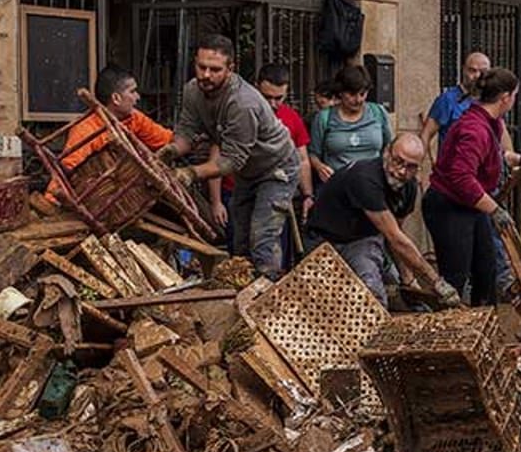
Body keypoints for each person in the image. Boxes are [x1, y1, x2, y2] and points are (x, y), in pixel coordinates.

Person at [158, 34, 298, 280]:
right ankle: (241, 295)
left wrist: (190, 173)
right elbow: (187, 131)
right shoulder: (193, 90)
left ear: (230, 69)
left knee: (262, 238)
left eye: (215, 69)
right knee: (240, 240)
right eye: (201, 67)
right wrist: (172, 150)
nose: (206, 75)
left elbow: (231, 160)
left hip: (277, 169)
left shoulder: (243, 103)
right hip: (248, 171)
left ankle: (270, 297)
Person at [306, 133, 460, 308]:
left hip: (363, 239)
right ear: (387, 152)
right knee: (325, 301)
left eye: (411, 167)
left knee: (375, 295)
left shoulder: (408, 188)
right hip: (324, 238)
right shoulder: (366, 178)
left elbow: (397, 237)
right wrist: (436, 281)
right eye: (398, 161)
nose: (402, 171)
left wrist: (407, 280)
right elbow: (395, 238)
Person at [423, 68, 521, 306]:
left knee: (486, 270)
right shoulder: (475, 128)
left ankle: (482, 329)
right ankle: (449, 332)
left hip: (470, 205)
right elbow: (461, 177)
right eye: (515, 95)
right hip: (449, 205)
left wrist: (516, 159)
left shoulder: (491, 122)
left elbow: (489, 154)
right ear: (505, 97)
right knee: (456, 277)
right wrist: (494, 209)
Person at [207, 64, 313, 251]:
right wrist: (216, 202)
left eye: (278, 98)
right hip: (236, 190)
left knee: (267, 247)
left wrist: (307, 195)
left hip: (274, 192)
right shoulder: (238, 111)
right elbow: (217, 156)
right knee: (241, 249)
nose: (272, 104)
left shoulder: (292, 118)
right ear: (256, 88)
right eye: (267, 97)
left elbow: (302, 159)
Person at [61, 65, 173, 171]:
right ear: (116, 98)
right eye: (132, 92)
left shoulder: (134, 118)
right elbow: (66, 170)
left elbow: (166, 139)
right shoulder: (86, 130)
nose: (137, 97)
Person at [309, 65, 393, 184]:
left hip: (372, 184)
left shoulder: (378, 113)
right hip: (337, 184)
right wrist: (319, 167)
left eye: (362, 94)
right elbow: (313, 154)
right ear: (341, 93)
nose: (358, 100)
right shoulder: (324, 118)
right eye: (352, 94)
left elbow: (390, 147)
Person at [421, 51, 491, 154]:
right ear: (464, 70)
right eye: (472, 70)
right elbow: (426, 134)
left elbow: (502, 136)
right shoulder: (447, 99)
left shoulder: (491, 101)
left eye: (483, 71)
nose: (477, 76)